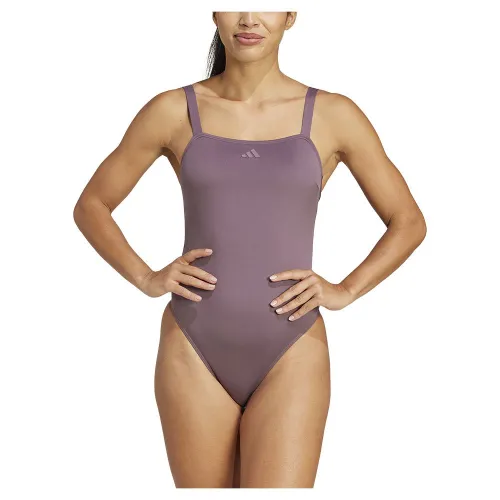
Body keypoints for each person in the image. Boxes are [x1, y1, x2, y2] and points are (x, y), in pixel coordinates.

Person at [73, 11, 426, 488]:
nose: (249, 18)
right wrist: (146, 277)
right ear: (214, 13)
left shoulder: (333, 114)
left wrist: (345, 290)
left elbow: (408, 221)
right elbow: (92, 205)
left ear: (291, 15)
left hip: (293, 345)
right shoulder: (174, 110)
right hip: (193, 343)